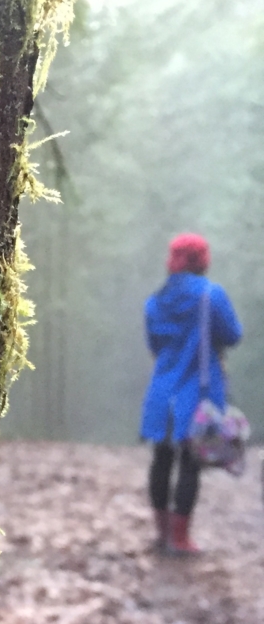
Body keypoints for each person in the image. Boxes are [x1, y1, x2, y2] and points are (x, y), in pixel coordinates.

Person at [140, 233, 241, 555]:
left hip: (162, 390)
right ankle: (181, 539)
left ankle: (161, 533)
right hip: (197, 391)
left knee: (161, 458)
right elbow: (233, 334)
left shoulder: (156, 301)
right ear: (202, 260)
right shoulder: (212, 295)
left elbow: (155, 345)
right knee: (190, 462)